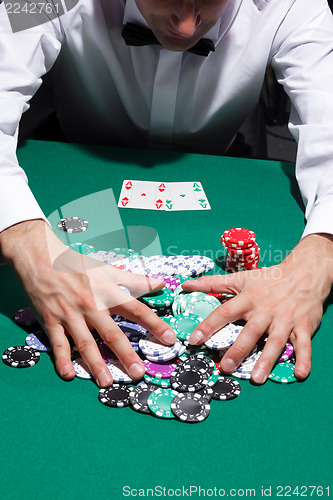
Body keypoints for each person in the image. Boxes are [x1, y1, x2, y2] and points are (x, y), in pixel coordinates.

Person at [0, 0, 332, 387]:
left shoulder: (297, 3)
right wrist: (27, 240)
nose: (189, 26)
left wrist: (322, 252)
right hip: (72, 153)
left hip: (226, 162)